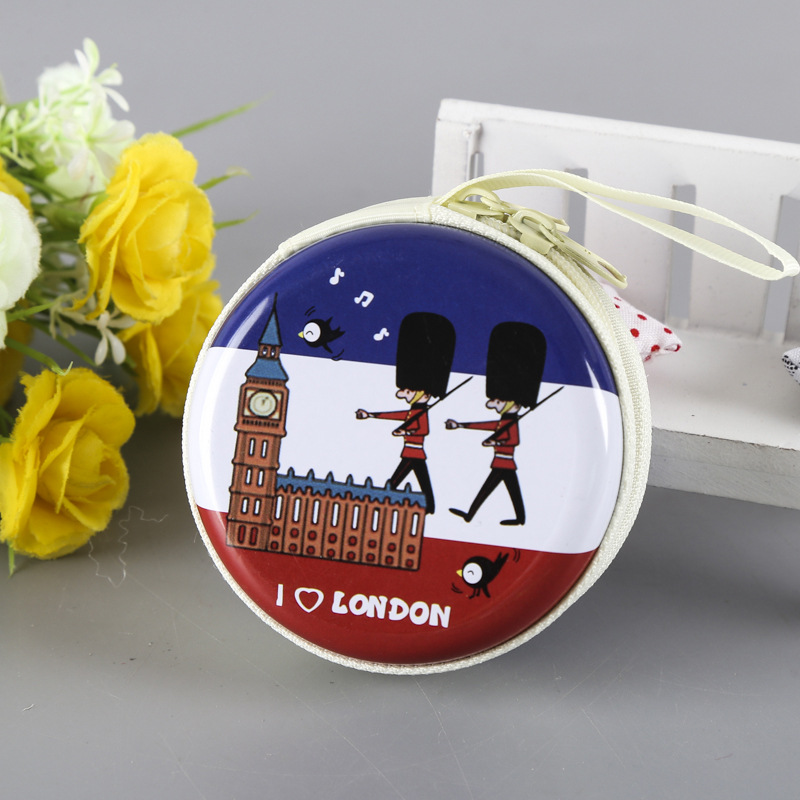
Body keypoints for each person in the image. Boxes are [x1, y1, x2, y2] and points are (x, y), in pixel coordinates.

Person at [356, 312, 455, 515]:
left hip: (414, 451)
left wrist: (405, 432)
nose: (402, 394)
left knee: (398, 480)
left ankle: (385, 500)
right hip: (412, 452)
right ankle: (429, 506)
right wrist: (372, 415)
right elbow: (397, 415)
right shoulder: (414, 411)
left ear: (423, 393)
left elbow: (423, 429)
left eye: (408, 391)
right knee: (419, 480)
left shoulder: (420, 412)